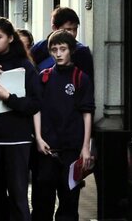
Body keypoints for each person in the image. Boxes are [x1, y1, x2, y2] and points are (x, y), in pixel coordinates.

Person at [0, 17, 42, 221]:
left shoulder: (25, 65)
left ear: (10, 38)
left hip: (17, 139)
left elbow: (34, 104)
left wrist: (8, 98)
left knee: (18, 195)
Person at [31, 29, 95, 221]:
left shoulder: (80, 78)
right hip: (47, 150)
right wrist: (39, 138)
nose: (58, 53)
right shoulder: (44, 76)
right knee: (43, 203)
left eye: (63, 49)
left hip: (71, 149)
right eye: (54, 49)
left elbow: (87, 113)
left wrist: (85, 148)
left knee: (69, 202)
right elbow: (36, 108)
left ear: (71, 50)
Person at [30, 7, 94, 81]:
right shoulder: (39, 48)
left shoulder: (81, 52)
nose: (72, 34)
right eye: (68, 29)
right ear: (55, 28)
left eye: (75, 29)